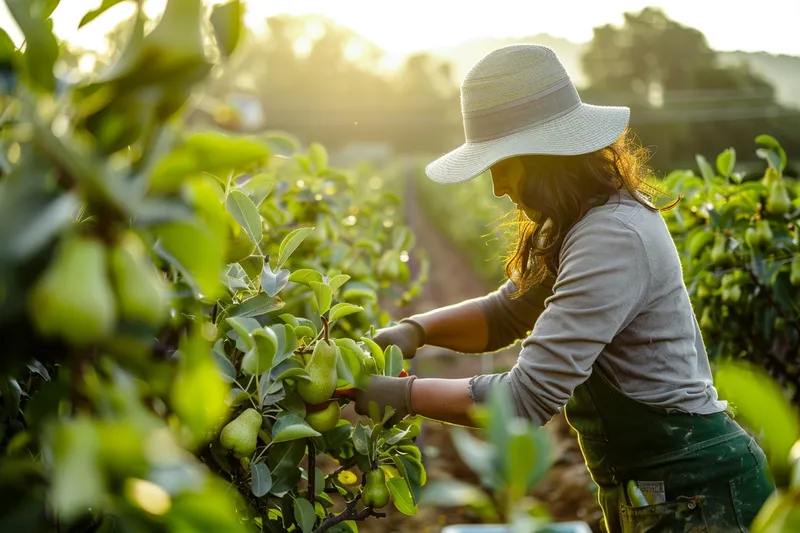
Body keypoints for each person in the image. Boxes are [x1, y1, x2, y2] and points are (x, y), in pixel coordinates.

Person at [353, 44, 775, 532]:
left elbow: (523, 400)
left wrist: (399, 395)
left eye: (500, 165)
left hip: (701, 494)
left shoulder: (612, 236)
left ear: (540, 157)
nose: (496, 187)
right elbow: (505, 315)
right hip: (662, 490)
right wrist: (414, 330)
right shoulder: (585, 221)